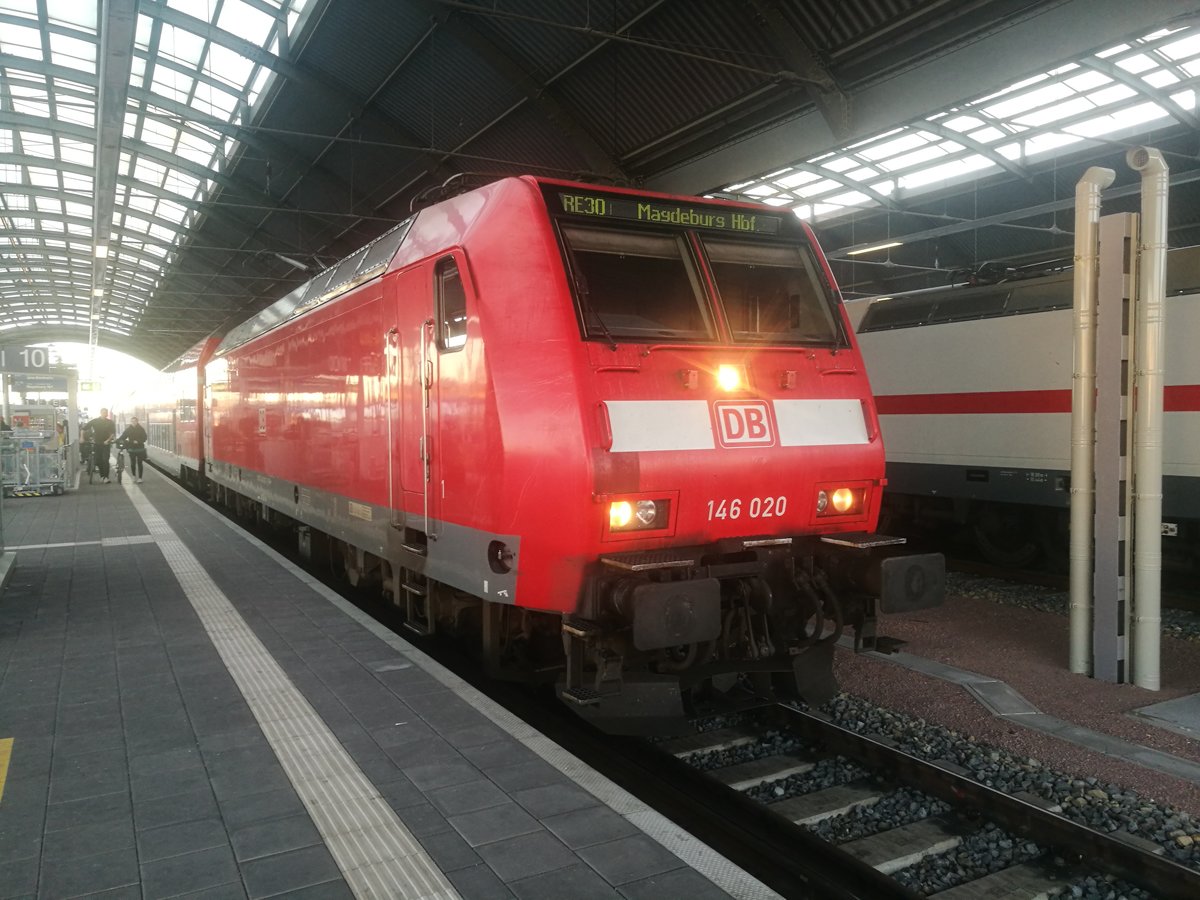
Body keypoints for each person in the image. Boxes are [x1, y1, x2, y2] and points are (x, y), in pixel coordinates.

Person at [85, 408, 117, 483]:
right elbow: (84, 428)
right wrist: (82, 437)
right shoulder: (95, 421)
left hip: (106, 444)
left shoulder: (110, 422)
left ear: (107, 414)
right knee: (98, 460)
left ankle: (106, 477)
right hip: (97, 444)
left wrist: (108, 440)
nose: (104, 414)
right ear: (100, 413)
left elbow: (112, 433)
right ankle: (102, 476)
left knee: (105, 460)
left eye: (106, 413)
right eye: (103, 412)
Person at [116, 416, 148, 483]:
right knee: (132, 463)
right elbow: (123, 436)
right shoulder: (128, 429)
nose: (133, 423)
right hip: (132, 449)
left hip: (140, 448)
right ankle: (133, 476)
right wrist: (117, 440)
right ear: (131, 422)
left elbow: (145, 438)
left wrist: (138, 441)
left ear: (137, 422)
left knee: (140, 463)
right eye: (132, 421)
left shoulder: (141, 429)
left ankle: (140, 478)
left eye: (135, 421)